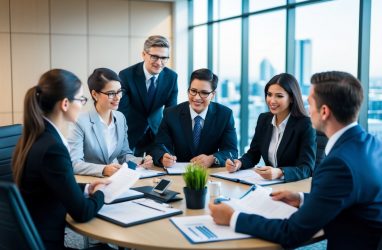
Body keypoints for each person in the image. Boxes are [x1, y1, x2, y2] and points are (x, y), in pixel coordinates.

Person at [210, 71, 382, 250]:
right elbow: (346, 196)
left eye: (310, 103)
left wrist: (233, 217)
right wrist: (301, 198)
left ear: (324, 111)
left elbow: (291, 233)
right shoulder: (372, 144)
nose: (307, 109)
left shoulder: (338, 165)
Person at [12, 69, 110, 249]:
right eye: (81, 99)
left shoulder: (34, 136)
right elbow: (82, 212)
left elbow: (53, 185)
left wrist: (88, 188)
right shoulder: (53, 148)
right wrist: (101, 193)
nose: (82, 105)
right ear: (65, 103)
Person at [225, 73, 316, 182]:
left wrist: (280, 172)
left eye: (279, 96)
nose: (272, 101)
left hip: (294, 186)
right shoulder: (264, 119)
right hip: (269, 185)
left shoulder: (305, 125)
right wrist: (238, 163)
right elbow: (253, 154)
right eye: (269, 94)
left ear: (292, 98)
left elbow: (306, 168)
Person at [68, 68, 153, 177]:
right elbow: (74, 164)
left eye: (119, 91)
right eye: (111, 93)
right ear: (95, 94)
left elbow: (124, 155)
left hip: (114, 181)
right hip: (89, 183)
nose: (118, 97)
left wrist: (140, 161)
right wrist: (103, 169)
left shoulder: (120, 118)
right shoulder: (80, 122)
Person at [151, 68, 238, 168]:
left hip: (210, 174)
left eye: (204, 93)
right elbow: (159, 146)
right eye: (193, 91)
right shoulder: (171, 114)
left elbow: (232, 151)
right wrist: (163, 157)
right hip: (178, 173)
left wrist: (212, 158)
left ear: (213, 95)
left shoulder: (224, 115)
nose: (197, 97)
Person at [118, 35, 178, 156]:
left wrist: (168, 137)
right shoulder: (126, 75)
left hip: (156, 133)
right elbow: (122, 111)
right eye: (154, 57)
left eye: (164, 58)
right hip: (130, 133)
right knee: (131, 170)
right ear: (144, 54)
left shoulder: (171, 77)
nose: (159, 63)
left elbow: (171, 111)